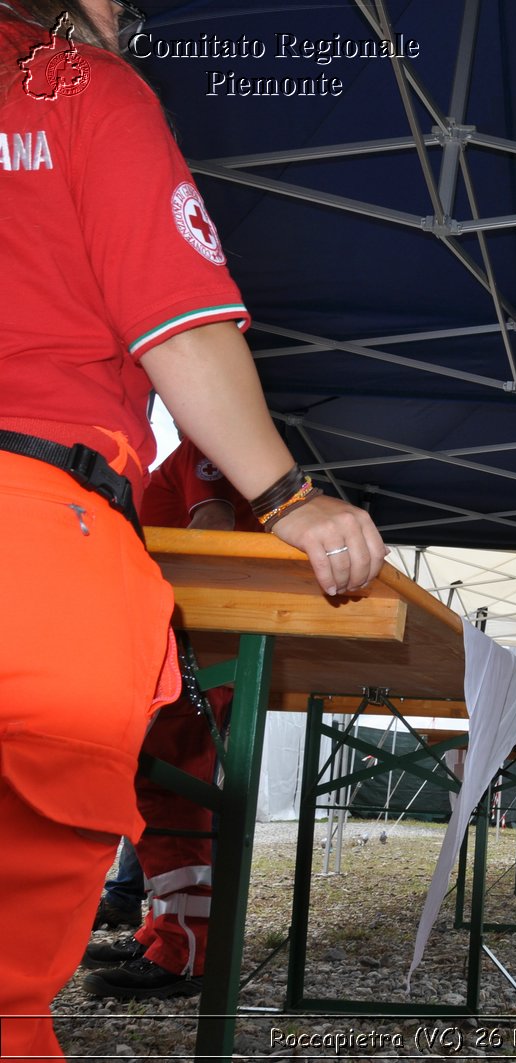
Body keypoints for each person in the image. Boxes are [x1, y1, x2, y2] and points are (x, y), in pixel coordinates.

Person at [0, 3, 385, 1056]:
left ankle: (178, 935)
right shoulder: (80, 86)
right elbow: (181, 326)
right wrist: (292, 495)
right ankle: (177, 938)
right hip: (37, 533)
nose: (130, 19)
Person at [80, 437, 256, 999]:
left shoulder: (207, 449)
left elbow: (214, 530)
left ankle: (186, 951)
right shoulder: (203, 452)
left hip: (190, 649)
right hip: (195, 647)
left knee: (168, 795)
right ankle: (164, 934)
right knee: (160, 792)